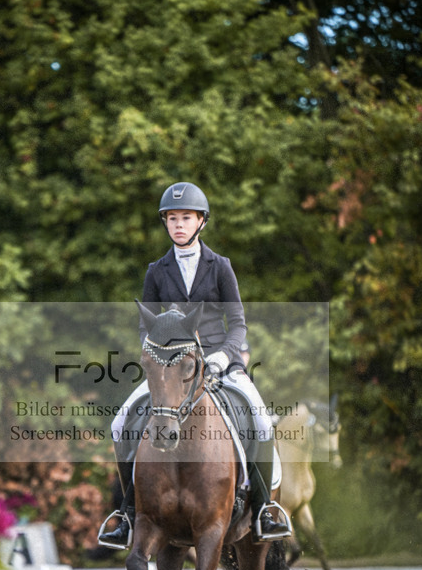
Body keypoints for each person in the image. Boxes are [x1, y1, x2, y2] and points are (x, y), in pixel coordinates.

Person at [98, 181, 288, 548]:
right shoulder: (157, 271)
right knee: (120, 420)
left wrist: (222, 356)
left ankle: (265, 508)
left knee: (261, 420)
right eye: (172, 218)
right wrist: (157, 357)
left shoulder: (220, 267)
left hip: (220, 362)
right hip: (170, 367)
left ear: (201, 222)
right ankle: (126, 513)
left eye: (186, 218)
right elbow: (146, 325)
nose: (178, 225)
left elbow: (239, 324)